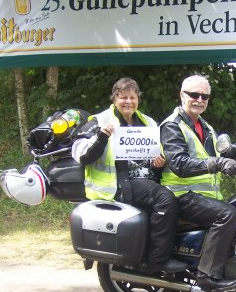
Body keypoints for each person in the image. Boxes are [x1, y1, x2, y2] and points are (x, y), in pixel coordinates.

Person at [160, 74, 236, 292]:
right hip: (181, 195)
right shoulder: (172, 126)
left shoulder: (205, 126)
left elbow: (220, 154)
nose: (199, 99)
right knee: (227, 214)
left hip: (203, 196)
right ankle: (207, 277)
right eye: (194, 95)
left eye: (204, 96)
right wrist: (218, 163)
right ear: (182, 95)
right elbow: (179, 163)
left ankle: (232, 287)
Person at [72, 77, 187, 274]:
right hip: (117, 184)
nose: (128, 102)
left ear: (138, 99)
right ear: (114, 98)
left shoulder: (148, 122)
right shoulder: (99, 121)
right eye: (123, 97)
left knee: (179, 198)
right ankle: (158, 259)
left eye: (132, 97)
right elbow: (82, 156)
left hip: (146, 181)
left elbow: (158, 154)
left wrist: (159, 162)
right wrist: (101, 137)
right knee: (165, 200)